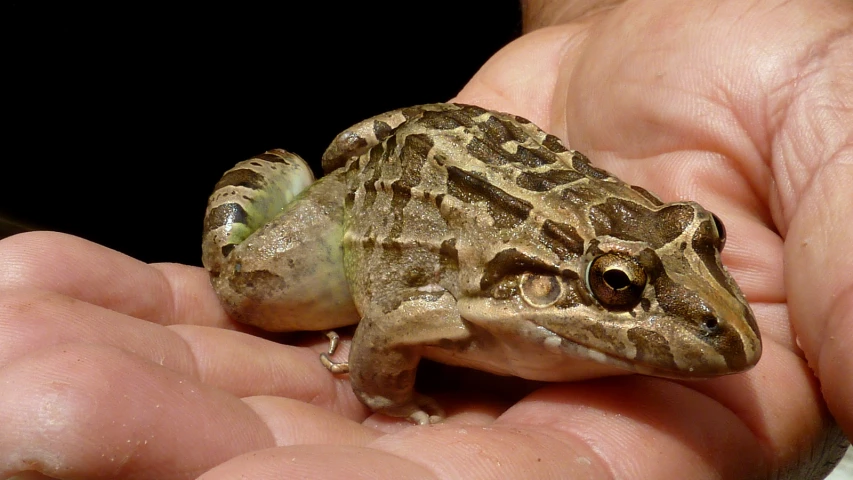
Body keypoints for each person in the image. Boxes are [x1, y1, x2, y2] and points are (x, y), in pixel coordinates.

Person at [1, 1, 850, 478]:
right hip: (367, 192)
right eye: (621, 288)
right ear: (554, 287)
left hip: (471, 120)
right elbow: (394, 323)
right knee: (247, 288)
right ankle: (281, 179)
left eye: (698, 242)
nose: (711, 317)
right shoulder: (483, 304)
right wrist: (390, 397)